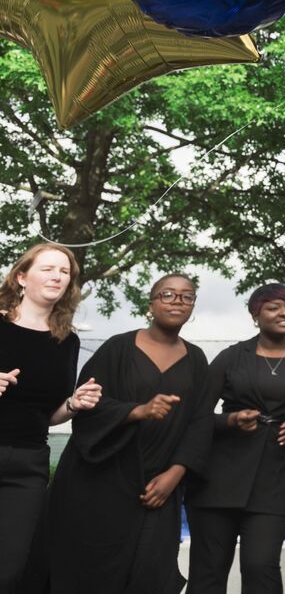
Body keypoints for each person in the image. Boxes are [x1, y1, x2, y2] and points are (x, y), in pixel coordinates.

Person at [47, 273, 210, 594]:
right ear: (150, 304)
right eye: (167, 294)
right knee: (91, 575)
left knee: (152, 574)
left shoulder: (197, 360)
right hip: (100, 484)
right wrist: (137, 411)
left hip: (157, 487)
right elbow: (88, 403)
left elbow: (201, 423)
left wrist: (174, 476)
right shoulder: (118, 348)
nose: (178, 301)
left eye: (186, 296)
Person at [187, 283, 285, 593]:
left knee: (261, 565)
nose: (284, 313)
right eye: (273, 308)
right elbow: (197, 416)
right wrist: (230, 420)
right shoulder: (231, 357)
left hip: (276, 478)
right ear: (255, 315)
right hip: (218, 478)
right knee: (209, 568)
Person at [0, 244, 100, 593]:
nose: (58, 276)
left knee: (10, 571)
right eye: (48, 268)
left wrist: (72, 404)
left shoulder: (66, 340)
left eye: (64, 271)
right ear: (21, 277)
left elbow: (49, 414)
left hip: (28, 464)